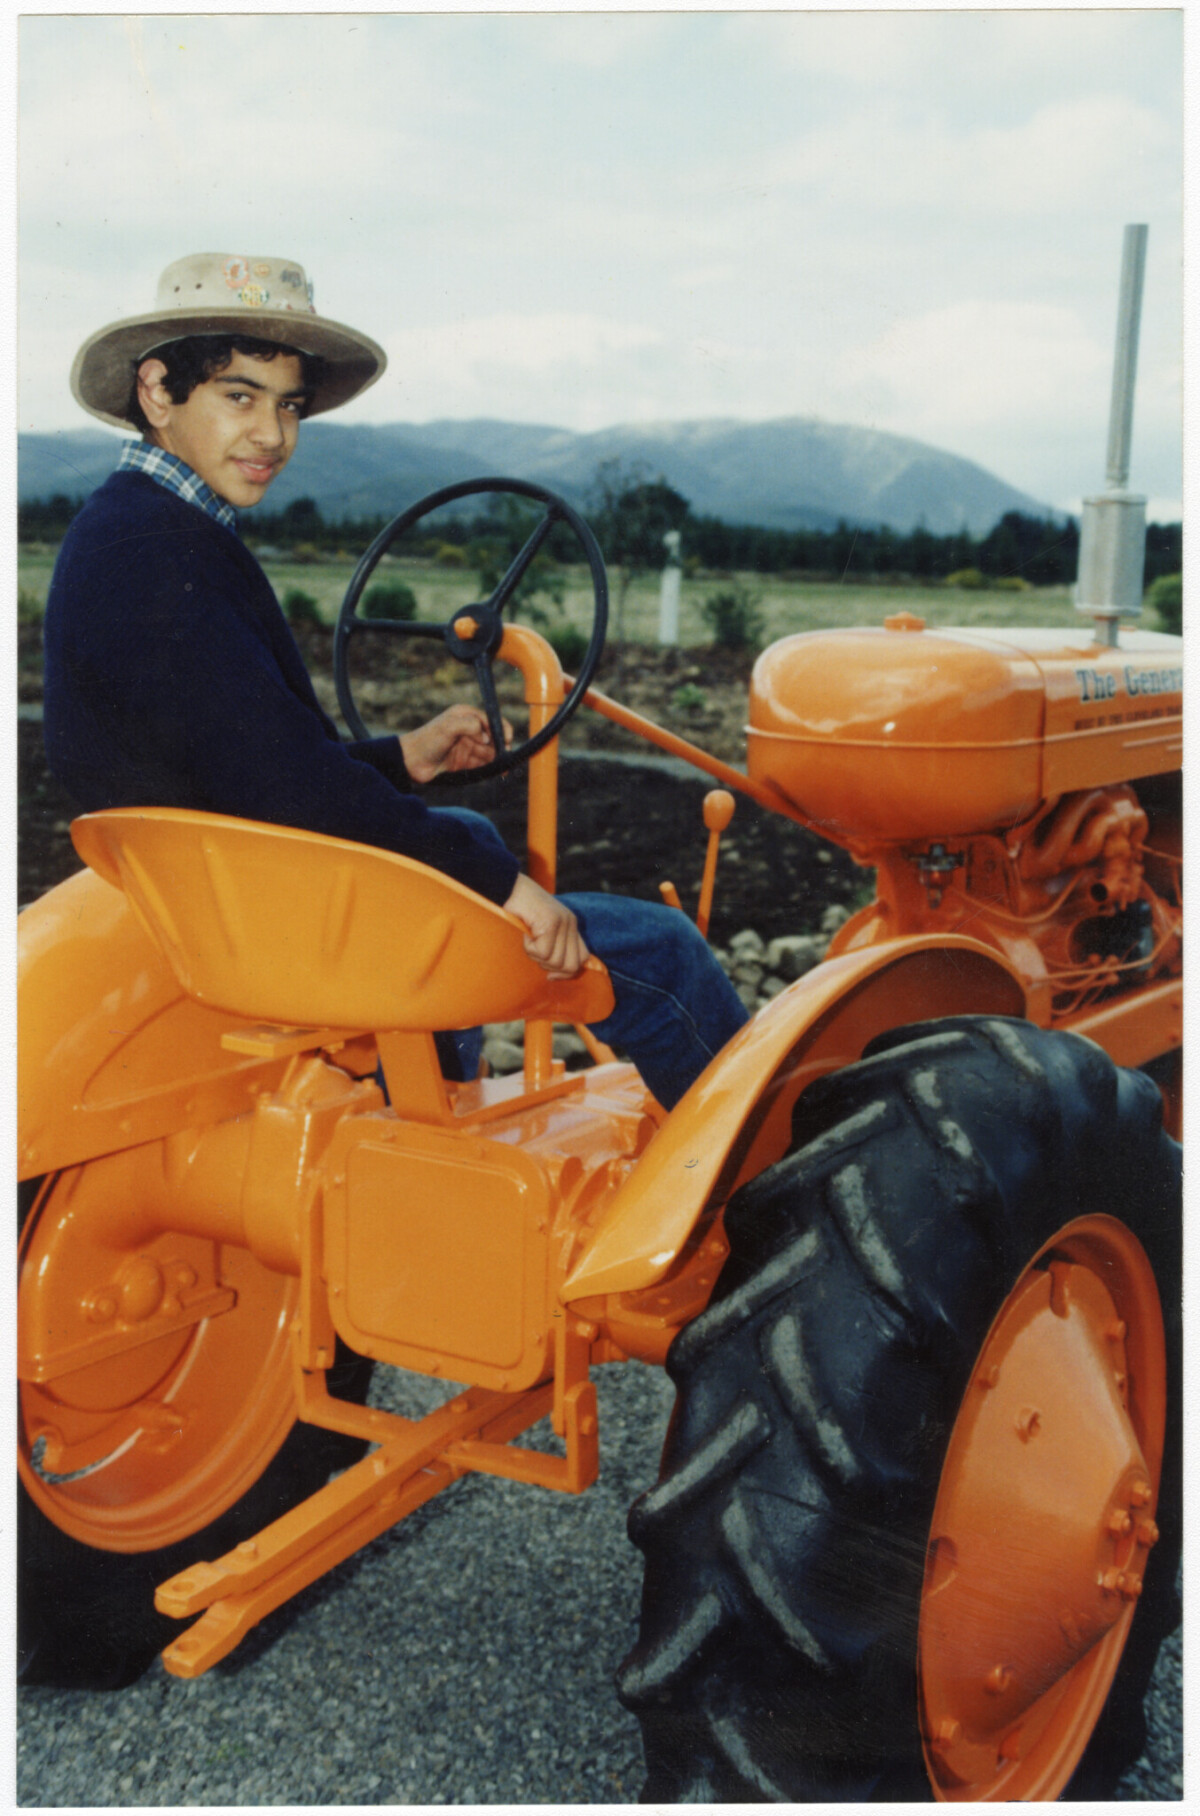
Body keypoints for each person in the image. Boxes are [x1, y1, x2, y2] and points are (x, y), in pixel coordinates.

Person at [43, 252, 747, 1109]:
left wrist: (401, 758)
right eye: (240, 396)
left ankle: (435, 1105)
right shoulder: (162, 553)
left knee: (454, 829)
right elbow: (284, 784)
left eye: (288, 405)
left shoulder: (132, 528)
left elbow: (237, 757)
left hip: (232, 900)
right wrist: (505, 889)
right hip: (277, 919)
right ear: (158, 391)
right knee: (665, 950)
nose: (272, 435)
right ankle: (769, 1177)